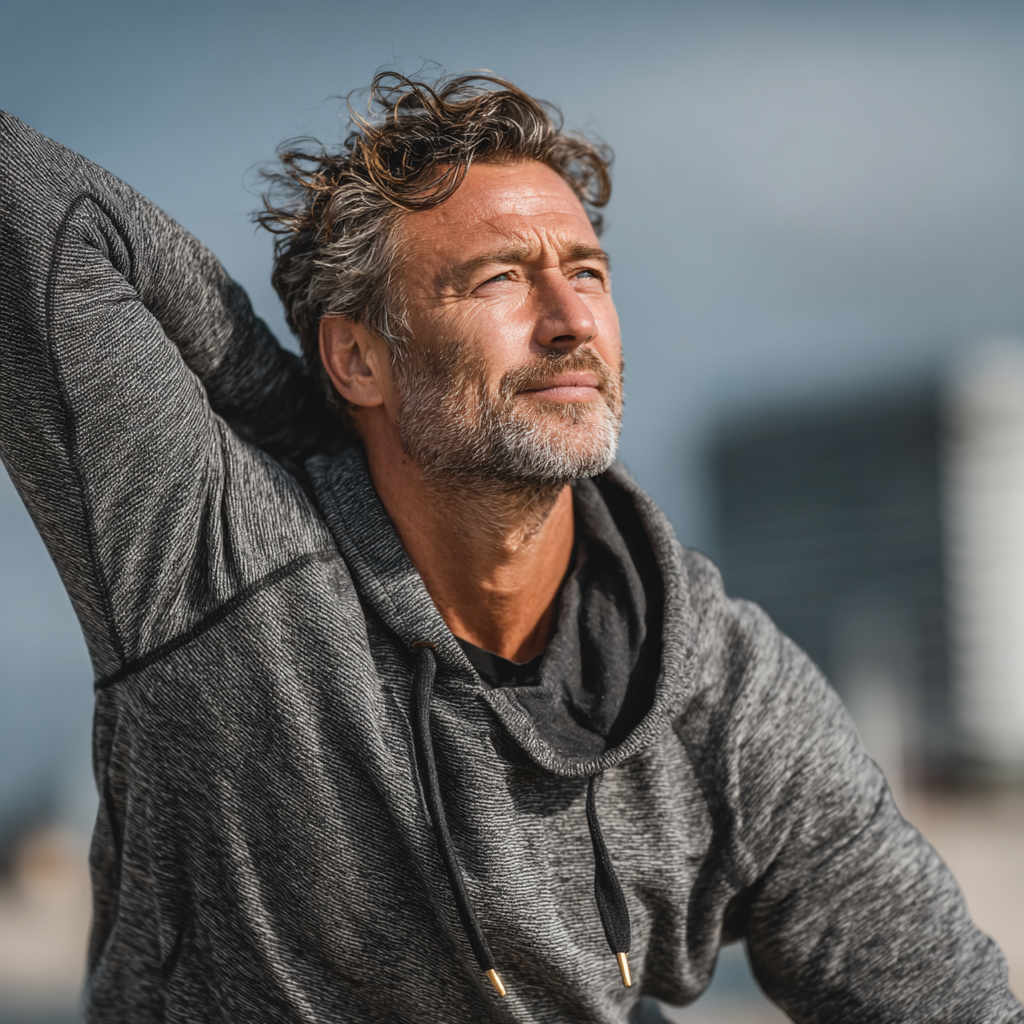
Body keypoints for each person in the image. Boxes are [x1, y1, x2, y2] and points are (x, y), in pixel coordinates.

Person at [0, 71, 1019, 1024]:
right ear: (356, 354)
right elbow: (44, 216)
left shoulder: (720, 688)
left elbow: (947, 996)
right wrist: (302, 418)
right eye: (502, 277)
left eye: (586, 272)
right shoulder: (218, 566)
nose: (573, 319)